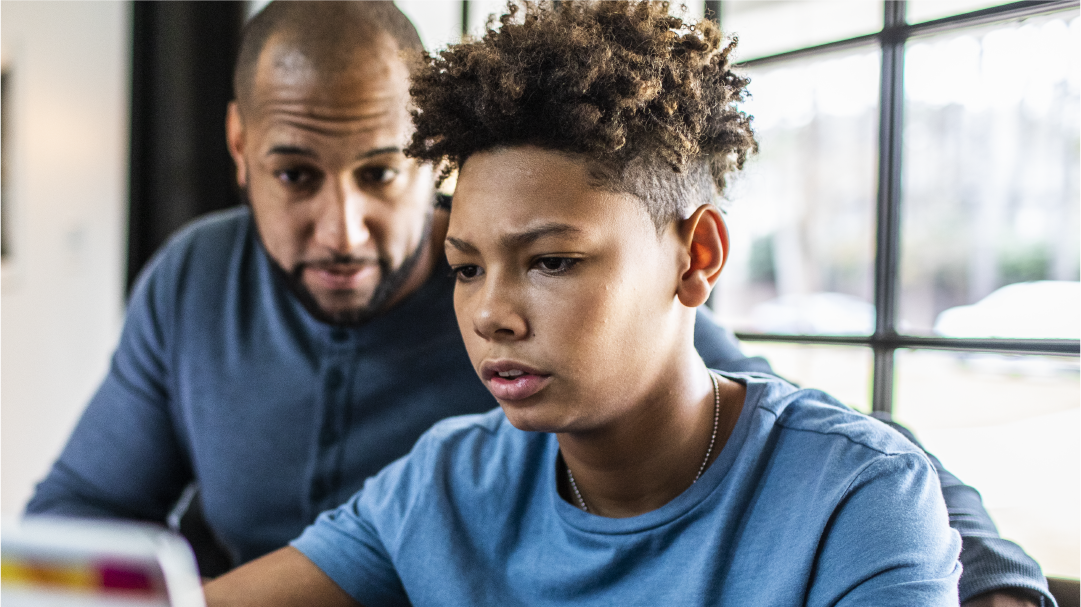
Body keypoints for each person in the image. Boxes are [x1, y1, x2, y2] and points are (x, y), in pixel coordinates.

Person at [26, 1, 1054, 605]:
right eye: (468, 266)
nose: (491, 314)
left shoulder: (842, 497)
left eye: (551, 262)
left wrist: (1000, 581)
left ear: (694, 262)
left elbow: (846, 452)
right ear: (242, 150)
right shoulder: (442, 478)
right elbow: (84, 531)